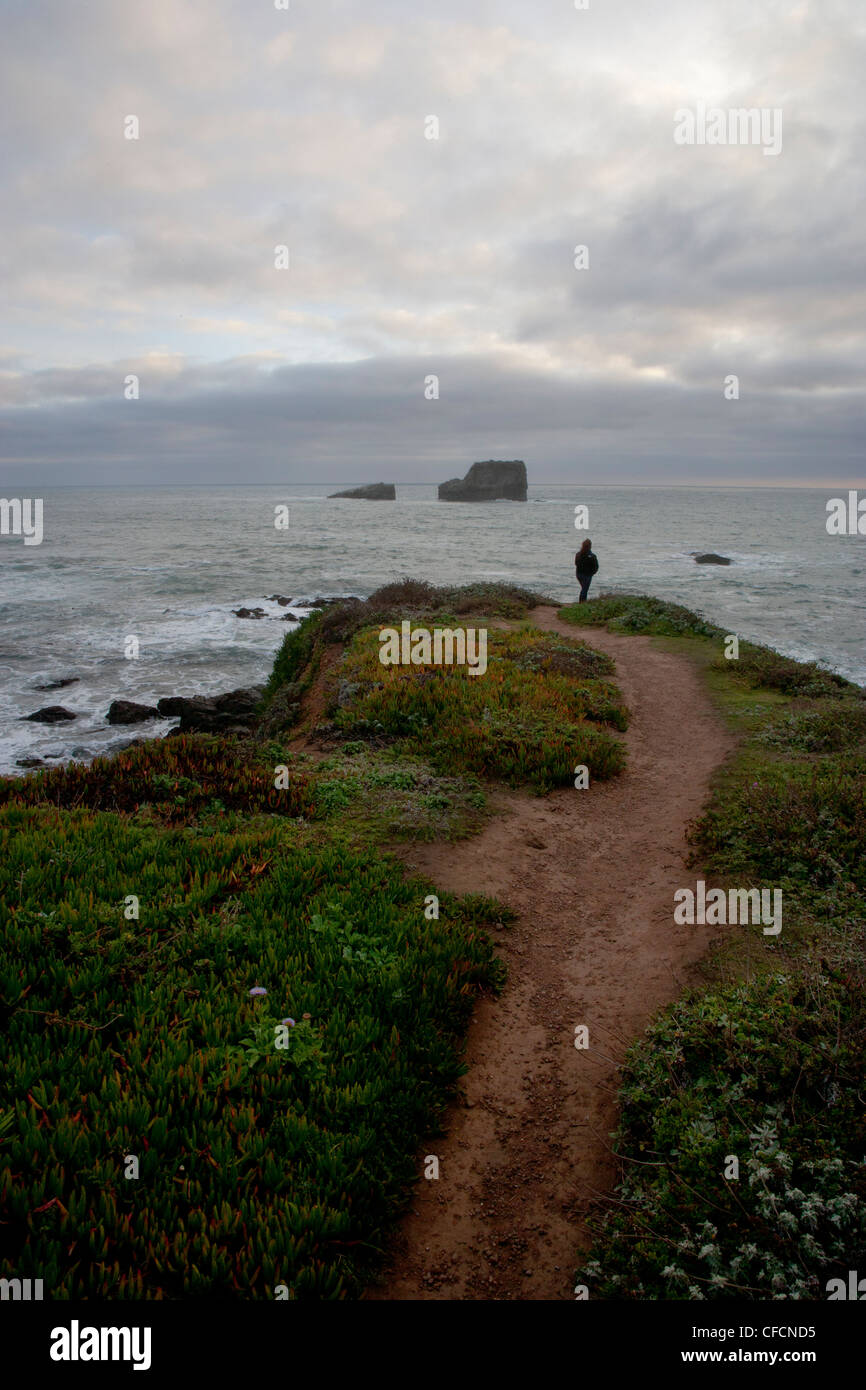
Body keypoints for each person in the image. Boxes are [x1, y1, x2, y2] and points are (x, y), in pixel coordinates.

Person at [575, 537, 598, 603]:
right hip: (587, 575)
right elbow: (596, 566)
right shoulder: (592, 556)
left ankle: (582, 602)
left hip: (579, 574)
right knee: (584, 589)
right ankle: (582, 603)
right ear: (590, 546)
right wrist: (592, 573)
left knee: (584, 588)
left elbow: (576, 563)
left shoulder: (578, 554)